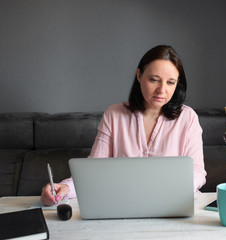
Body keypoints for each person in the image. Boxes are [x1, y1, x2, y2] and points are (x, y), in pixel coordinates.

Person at [41, 45, 207, 206]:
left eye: (170, 82)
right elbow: (94, 171)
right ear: (139, 75)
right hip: (122, 204)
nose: (162, 90)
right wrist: (66, 188)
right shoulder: (114, 114)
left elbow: (198, 172)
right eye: (154, 80)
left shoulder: (188, 117)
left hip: (173, 203)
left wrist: (172, 190)